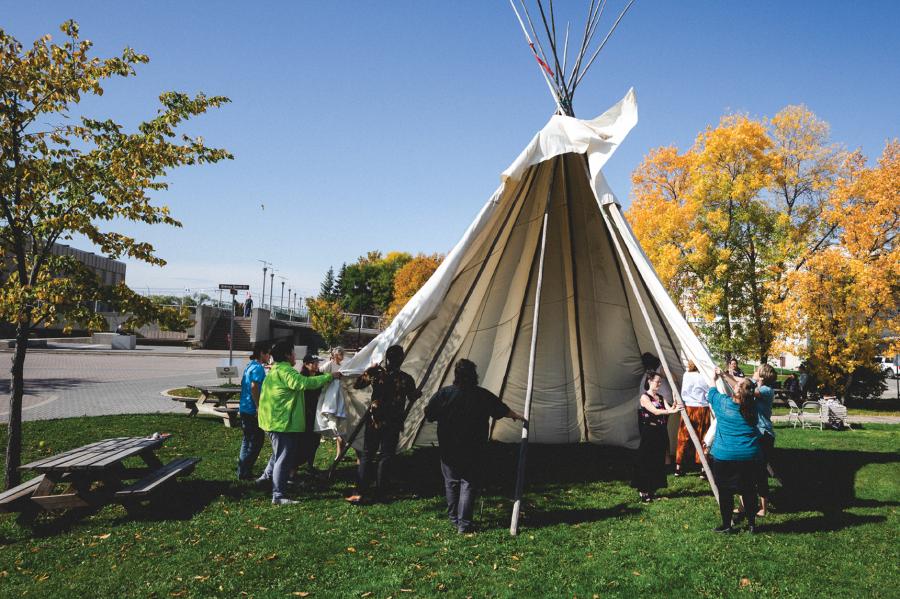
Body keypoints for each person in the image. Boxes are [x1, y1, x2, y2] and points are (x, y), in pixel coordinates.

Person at [424, 359, 523, 533]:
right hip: (473, 447)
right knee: (468, 483)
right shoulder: (482, 395)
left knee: (452, 482)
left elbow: (429, 414)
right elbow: (500, 409)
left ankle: (455, 519)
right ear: (474, 376)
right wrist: (514, 415)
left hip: (449, 447)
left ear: (456, 375)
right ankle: (463, 524)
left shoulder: (444, 394)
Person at [257, 340, 340, 505]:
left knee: (277, 454)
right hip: (282, 423)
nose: (296, 356)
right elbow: (305, 383)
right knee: (283, 457)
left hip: (273, 421)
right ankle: (278, 495)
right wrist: (330, 376)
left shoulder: (275, 370)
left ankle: (265, 479)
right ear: (287, 355)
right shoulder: (286, 371)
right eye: (294, 353)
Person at [346, 345, 421, 504]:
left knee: (367, 455)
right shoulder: (405, 379)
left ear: (387, 358)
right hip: (393, 422)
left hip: (375, 421)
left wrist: (369, 370)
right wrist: (417, 394)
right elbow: (413, 396)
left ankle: (360, 491)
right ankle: (381, 493)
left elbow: (358, 384)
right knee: (386, 457)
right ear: (401, 359)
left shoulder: (376, 373)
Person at [707, 369, 762, 533]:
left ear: (737, 391)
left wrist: (715, 378)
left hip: (725, 456)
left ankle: (727, 525)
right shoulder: (754, 408)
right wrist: (726, 376)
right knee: (749, 490)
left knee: (725, 492)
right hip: (749, 455)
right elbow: (746, 391)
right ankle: (752, 524)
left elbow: (711, 391)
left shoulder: (723, 404)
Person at [632, 371, 679, 502]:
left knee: (657, 461)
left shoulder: (660, 397)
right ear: (649, 381)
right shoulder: (644, 397)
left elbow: (669, 408)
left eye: (660, 382)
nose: (659, 384)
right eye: (656, 381)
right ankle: (643, 490)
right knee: (646, 460)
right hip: (650, 432)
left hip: (660, 432)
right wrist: (670, 410)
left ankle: (652, 489)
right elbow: (655, 411)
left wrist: (675, 404)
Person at [236, 342, 271, 480]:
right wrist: (258, 406)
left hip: (244, 407)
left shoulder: (249, 366)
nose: (269, 356)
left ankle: (242, 470)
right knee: (257, 441)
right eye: (268, 353)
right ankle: (245, 470)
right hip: (251, 409)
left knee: (247, 440)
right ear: (262, 353)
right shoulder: (258, 368)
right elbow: (254, 387)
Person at [674, 360, 711, 477]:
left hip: (689, 407)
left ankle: (678, 467)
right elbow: (708, 392)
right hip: (702, 408)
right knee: (703, 437)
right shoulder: (703, 376)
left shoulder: (686, 375)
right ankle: (703, 468)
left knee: (683, 436)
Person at [752, 364, 777, 517]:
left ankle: (763, 508)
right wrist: (724, 375)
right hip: (756, 434)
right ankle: (744, 505)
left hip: (764, 435)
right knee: (748, 471)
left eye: (757, 371)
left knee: (760, 472)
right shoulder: (758, 386)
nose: (754, 372)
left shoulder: (766, 390)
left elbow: (746, 390)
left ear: (761, 376)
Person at [296, 354, 324, 475]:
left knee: (315, 440)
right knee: (303, 440)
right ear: (306, 364)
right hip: (304, 414)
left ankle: (310, 465)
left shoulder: (320, 376)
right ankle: (295, 465)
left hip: (317, 413)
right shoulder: (301, 377)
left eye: (318, 362)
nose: (317, 365)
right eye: (314, 362)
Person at [320, 347, 350, 461]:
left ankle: (339, 454)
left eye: (343, 353)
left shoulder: (342, 366)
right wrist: (330, 378)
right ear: (336, 355)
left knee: (341, 425)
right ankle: (339, 453)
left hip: (340, 398)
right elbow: (320, 373)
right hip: (331, 398)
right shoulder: (329, 364)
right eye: (341, 354)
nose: (342, 355)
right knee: (335, 425)